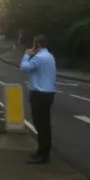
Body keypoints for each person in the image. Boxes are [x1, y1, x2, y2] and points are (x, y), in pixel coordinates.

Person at [20, 34, 56, 164]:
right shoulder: (49, 56)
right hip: (47, 93)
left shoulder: (40, 57)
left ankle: (43, 155)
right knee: (44, 125)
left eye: (34, 43)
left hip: (40, 94)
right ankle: (42, 151)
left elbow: (24, 68)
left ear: (38, 45)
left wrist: (26, 55)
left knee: (41, 125)